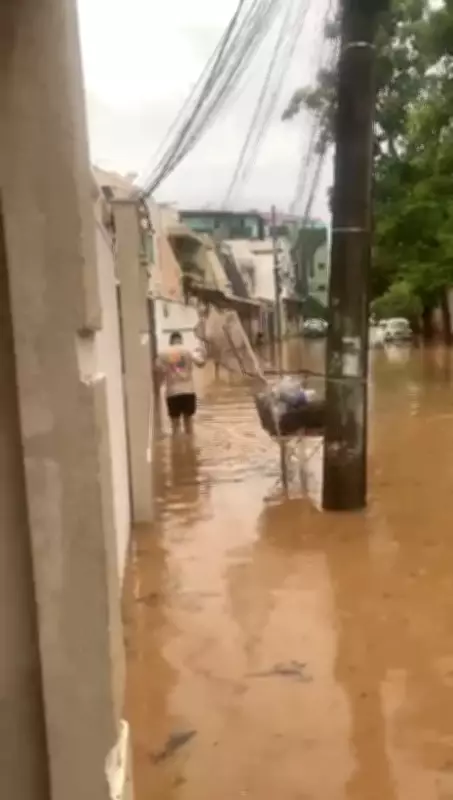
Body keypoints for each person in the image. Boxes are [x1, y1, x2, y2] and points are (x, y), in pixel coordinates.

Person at [156, 331, 206, 435]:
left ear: (171, 342)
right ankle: (190, 448)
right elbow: (201, 363)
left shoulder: (163, 353)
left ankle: (176, 448)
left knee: (175, 426)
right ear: (181, 340)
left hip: (172, 393)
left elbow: (157, 369)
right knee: (189, 425)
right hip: (188, 391)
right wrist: (204, 352)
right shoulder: (188, 351)